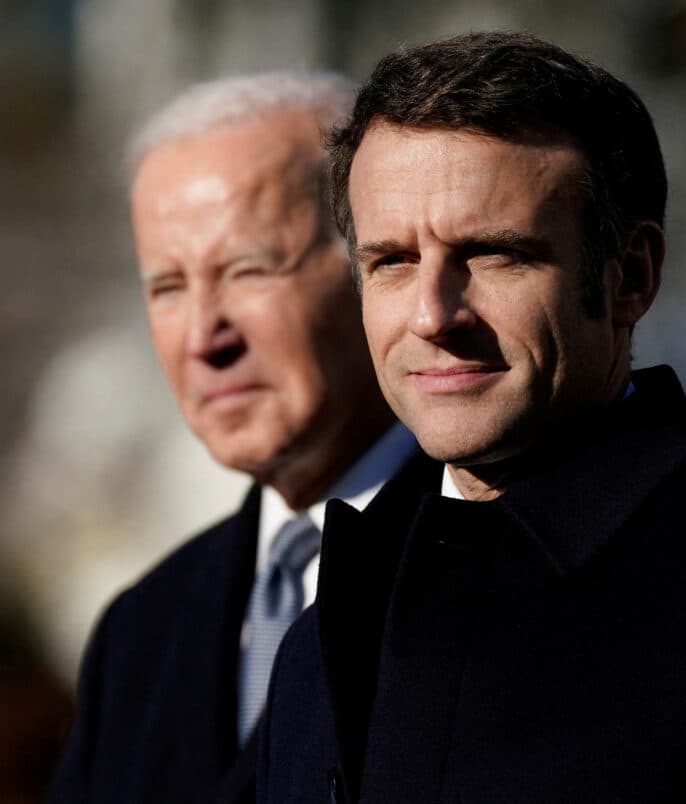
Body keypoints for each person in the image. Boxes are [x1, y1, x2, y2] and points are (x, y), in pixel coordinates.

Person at [257, 33, 686, 803]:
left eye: (493, 254)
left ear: (632, 277)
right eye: (392, 261)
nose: (431, 314)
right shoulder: (327, 626)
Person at [47, 72, 417, 804]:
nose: (203, 337)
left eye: (248, 270)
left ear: (378, 267)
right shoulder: (141, 633)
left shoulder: (502, 567)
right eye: (167, 288)